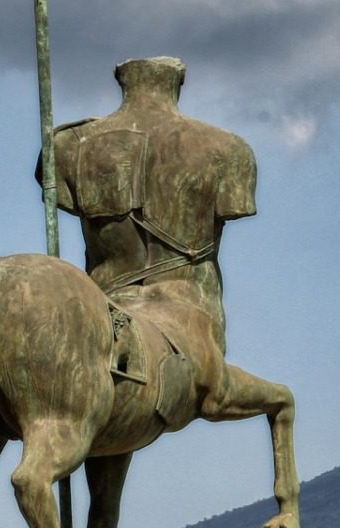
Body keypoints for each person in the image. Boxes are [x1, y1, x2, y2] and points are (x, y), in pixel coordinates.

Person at [41, 56, 256, 352]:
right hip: (192, 317)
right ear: (179, 82)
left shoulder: (68, 146)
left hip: (102, 312)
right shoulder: (230, 150)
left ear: (122, 80)